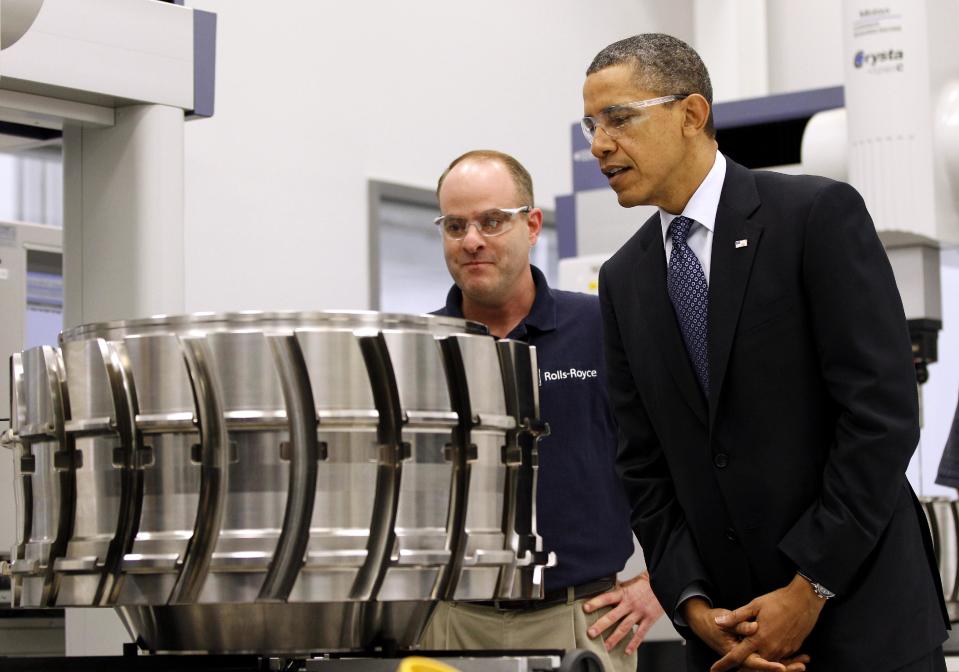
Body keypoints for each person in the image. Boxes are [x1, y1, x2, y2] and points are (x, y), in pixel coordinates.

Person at [584, 33, 949, 672]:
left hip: (864, 625)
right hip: (729, 640)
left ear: (691, 115)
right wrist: (695, 606)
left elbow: (881, 418)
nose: (599, 144)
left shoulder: (813, 217)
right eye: (591, 125)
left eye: (619, 119)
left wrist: (810, 588)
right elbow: (642, 464)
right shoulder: (624, 279)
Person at [418, 149, 664, 672]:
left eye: (491, 221)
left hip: (581, 620)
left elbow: (682, 463)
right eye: (455, 225)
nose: (472, 240)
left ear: (531, 226)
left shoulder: (603, 329)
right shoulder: (419, 347)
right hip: (448, 624)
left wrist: (661, 582)